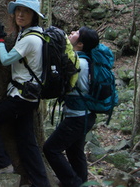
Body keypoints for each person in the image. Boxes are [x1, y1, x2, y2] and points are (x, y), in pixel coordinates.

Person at [0, 0, 50, 187]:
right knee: (27, 142)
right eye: (18, 10)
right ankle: (41, 182)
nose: (21, 14)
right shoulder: (29, 34)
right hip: (28, 96)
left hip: (21, 98)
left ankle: (2, 164)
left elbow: (6, 60)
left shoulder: (30, 39)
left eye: (26, 11)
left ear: (34, 15)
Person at [43, 27, 99, 187]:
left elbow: (63, 85)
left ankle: (73, 183)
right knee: (75, 152)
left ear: (80, 44)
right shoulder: (86, 60)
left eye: (76, 34)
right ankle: (82, 183)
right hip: (85, 115)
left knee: (50, 149)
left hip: (78, 117)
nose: (72, 33)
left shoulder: (78, 63)